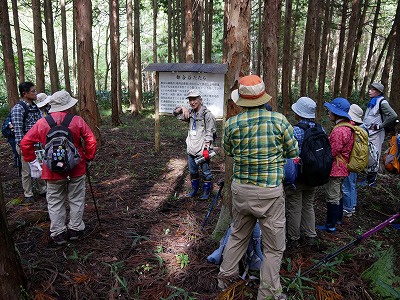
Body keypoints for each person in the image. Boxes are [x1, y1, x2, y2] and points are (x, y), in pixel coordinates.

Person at [218, 75, 299, 300]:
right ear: (262, 98)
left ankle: (224, 280)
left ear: (242, 100)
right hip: (269, 193)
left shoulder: (232, 124)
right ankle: (268, 294)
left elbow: (229, 152)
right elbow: (293, 153)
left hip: (241, 189)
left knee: (238, 235)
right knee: (274, 248)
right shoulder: (279, 121)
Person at [20, 90, 97, 245]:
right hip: (76, 167)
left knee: (55, 201)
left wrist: (33, 162)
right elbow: (91, 141)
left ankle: (58, 233)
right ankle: (75, 229)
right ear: (68, 105)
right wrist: (88, 158)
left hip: (51, 170)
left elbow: (25, 143)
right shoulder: (77, 120)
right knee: (76, 199)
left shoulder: (42, 123)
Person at [285, 97, 320, 247]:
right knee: (308, 205)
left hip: (298, 175)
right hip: (314, 175)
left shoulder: (295, 130)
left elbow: (287, 151)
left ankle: (294, 238)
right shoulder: (320, 129)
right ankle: (311, 235)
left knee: (294, 206)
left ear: (298, 114)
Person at [317, 98, 353, 233]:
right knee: (338, 194)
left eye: (330, 111)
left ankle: (330, 225)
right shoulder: (348, 126)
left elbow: (332, 151)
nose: (328, 113)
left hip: (336, 168)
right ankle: (338, 219)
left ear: (336, 113)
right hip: (343, 166)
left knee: (332, 195)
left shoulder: (340, 130)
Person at [173, 89, 216, 200]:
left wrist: (207, 148)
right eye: (190, 100)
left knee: (206, 171)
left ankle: (206, 192)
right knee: (193, 171)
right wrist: (182, 108)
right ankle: (194, 190)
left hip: (202, 149)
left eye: (194, 99)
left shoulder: (207, 114)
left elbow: (210, 132)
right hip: (191, 148)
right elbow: (176, 115)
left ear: (200, 99)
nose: (192, 102)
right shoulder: (191, 113)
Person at [11, 82, 47, 203]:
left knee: (40, 166)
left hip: (37, 143)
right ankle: (28, 194)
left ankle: (43, 189)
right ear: (24, 93)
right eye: (33, 91)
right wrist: (22, 147)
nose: (35, 93)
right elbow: (18, 130)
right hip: (25, 144)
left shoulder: (35, 107)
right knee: (26, 170)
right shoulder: (18, 109)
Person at [362, 82, 398, 186]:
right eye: (370, 89)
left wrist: (380, 126)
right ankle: (368, 177)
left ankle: (371, 181)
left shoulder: (382, 102)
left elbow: (393, 115)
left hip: (376, 134)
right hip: (370, 133)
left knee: (374, 155)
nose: (370, 91)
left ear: (378, 92)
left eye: (373, 89)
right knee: (369, 154)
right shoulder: (373, 101)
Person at [339, 104, 364, 220]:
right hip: (357, 161)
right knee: (352, 183)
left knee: (347, 185)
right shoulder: (362, 129)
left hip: (349, 160)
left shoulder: (352, 129)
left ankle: (347, 208)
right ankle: (352, 205)